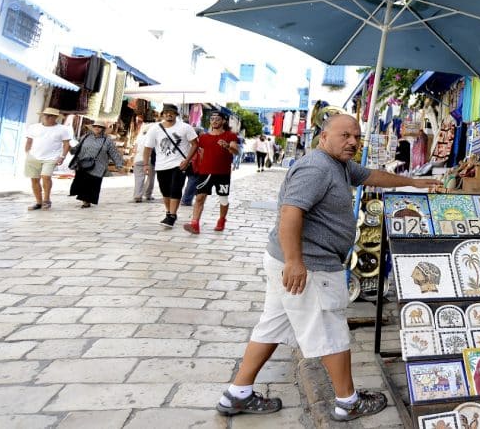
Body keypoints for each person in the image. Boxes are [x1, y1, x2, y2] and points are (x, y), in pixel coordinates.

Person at [216, 114, 439, 419]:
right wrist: (296, 261)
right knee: (331, 330)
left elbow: (373, 176)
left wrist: (413, 182)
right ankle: (348, 402)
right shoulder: (317, 167)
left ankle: (236, 394)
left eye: (357, 137)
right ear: (323, 137)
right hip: (310, 265)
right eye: (345, 135)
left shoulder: (341, 165)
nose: (352, 142)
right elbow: (291, 212)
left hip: (291, 261)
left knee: (273, 325)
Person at [182, 111, 240, 234]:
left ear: (223, 121)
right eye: (212, 118)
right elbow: (201, 153)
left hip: (223, 173)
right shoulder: (203, 137)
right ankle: (195, 224)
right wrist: (190, 163)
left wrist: (227, 147)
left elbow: (236, 151)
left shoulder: (230, 136)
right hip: (205, 172)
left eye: (217, 119)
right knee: (199, 198)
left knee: (223, 199)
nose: (214, 121)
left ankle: (222, 219)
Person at [142, 104, 198, 228]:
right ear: (162, 114)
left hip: (179, 165)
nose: (169, 114)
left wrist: (187, 160)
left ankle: (172, 215)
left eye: (171, 112)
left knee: (175, 189)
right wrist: (145, 164)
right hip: (161, 165)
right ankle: (168, 212)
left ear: (176, 114)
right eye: (166, 112)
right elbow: (148, 148)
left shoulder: (185, 127)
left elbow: (195, 144)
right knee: (165, 191)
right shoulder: (155, 129)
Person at [23, 107, 74, 211]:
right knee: (34, 180)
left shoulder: (62, 129)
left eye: (50, 115)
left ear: (55, 117)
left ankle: (46, 200)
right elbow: (29, 141)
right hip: (33, 157)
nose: (47, 117)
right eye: (45, 115)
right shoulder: (34, 127)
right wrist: (28, 153)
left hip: (51, 157)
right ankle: (38, 202)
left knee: (45, 176)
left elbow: (66, 144)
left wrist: (62, 157)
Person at [68, 119, 124, 208]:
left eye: (100, 127)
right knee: (83, 182)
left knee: (92, 183)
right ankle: (85, 200)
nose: (97, 128)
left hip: (98, 166)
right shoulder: (85, 137)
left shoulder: (107, 140)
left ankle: (86, 201)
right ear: (92, 128)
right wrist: (69, 148)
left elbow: (114, 153)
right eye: (95, 126)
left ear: (103, 129)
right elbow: (77, 148)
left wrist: (119, 165)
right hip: (83, 163)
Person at [132, 122, 156, 203]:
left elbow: (135, 149)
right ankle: (148, 194)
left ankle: (138, 196)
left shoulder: (140, 137)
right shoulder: (154, 138)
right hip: (149, 159)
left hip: (138, 159)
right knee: (150, 178)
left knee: (139, 178)